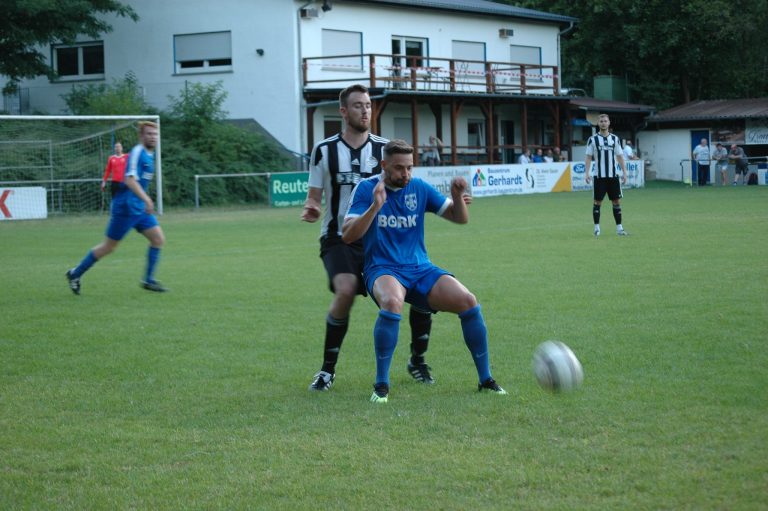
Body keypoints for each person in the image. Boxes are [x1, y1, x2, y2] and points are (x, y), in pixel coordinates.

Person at [342, 139, 507, 403]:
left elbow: (459, 217)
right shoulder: (366, 189)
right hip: (383, 268)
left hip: (419, 268)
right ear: (384, 165)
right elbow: (348, 235)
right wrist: (375, 207)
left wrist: (456, 196)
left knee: (468, 301)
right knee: (393, 301)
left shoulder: (418, 187)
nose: (405, 174)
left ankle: (486, 379)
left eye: (409, 168)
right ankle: (381, 386)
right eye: (398, 168)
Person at [301, 84, 436, 392]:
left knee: (420, 287)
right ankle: (327, 370)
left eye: (368, 105)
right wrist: (310, 207)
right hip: (340, 237)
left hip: (384, 239)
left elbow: (405, 186)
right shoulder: (324, 150)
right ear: (343, 111)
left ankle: (417, 359)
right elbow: (314, 196)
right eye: (358, 105)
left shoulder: (385, 149)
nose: (365, 110)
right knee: (346, 289)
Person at [66, 121, 167, 294]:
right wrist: (147, 199)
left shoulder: (151, 154)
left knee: (158, 239)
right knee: (109, 247)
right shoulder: (137, 152)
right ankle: (75, 273)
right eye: (149, 134)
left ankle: (148, 280)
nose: (153, 137)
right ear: (141, 136)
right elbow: (129, 180)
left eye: (155, 134)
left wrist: (143, 201)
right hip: (126, 208)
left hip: (139, 208)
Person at [584, 113, 629, 237]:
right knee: (597, 202)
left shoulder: (615, 139)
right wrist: (586, 173)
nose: (603, 123)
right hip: (599, 176)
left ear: (609, 123)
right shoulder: (593, 139)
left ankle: (619, 229)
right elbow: (588, 157)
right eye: (601, 121)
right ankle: (597, 229)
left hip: (613, 176)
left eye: (605, 121)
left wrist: (624, 173)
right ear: (598, 123)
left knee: (616, 202)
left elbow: (620, 156)